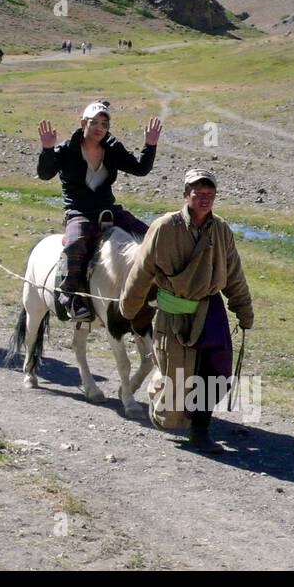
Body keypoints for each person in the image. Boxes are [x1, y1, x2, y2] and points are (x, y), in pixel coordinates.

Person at [119, 169, 254, 453]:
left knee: (216, 376)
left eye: (209, 195)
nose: (204, 199)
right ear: (186, 195)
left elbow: (234, 274)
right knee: (174, 398)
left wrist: (243, 309)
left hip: (210, 312)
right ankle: (159, 393)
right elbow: (141, 271)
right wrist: (128, 309)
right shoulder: (164, 227)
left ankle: (200, 431)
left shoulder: (221, 230)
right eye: (198, 194)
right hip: (174, 314)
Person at [37, 101, 161, 322]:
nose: (100, 128)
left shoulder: (112, 148)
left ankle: (160, 289)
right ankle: (69, 296)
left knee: (153, 236)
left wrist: (150, 145)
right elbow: (45, 174)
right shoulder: (66, 150)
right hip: (79, 213)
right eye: (94, 122)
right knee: (75, 244)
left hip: (109, 210)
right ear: (83, 123)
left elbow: (140, 169)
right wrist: (47, 149)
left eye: (104, 124)